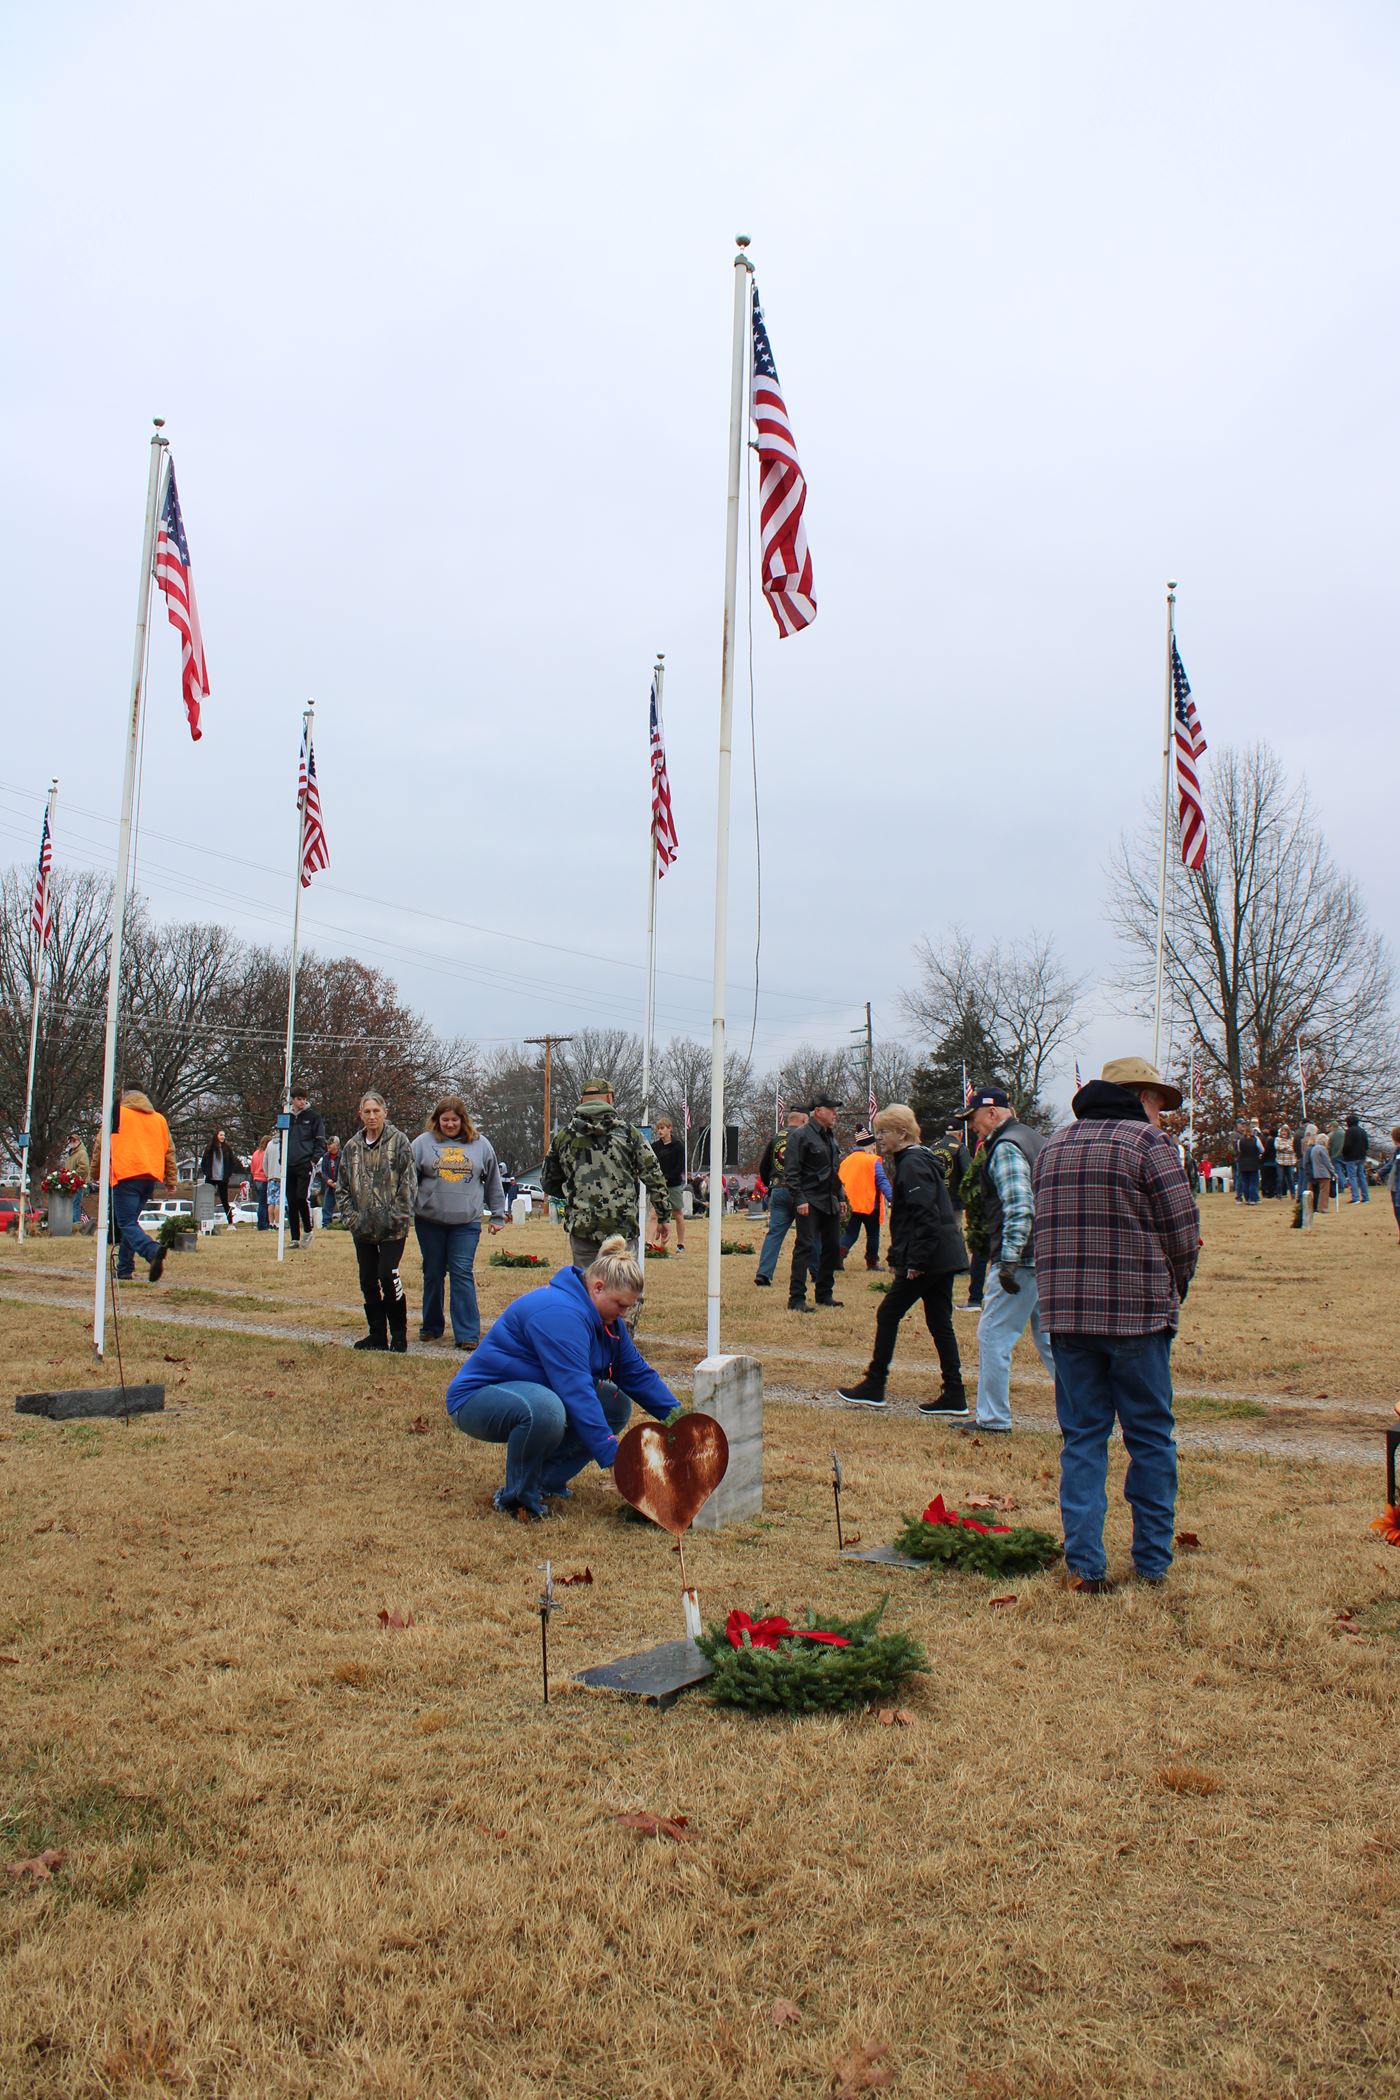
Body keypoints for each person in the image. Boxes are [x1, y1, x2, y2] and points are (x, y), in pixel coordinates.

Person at [1032, 1056, 1200, 1593]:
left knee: (1082, 1439)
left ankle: (1085, 1564)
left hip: (1067, 1317)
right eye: (1156, 1101)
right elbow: (1182, 1232)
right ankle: (1151, 1564)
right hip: (1137, 1315)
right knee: (1150, 1438)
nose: (1160, 1113)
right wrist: (1178, 1287)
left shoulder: (1054, 1145)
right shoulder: (1150, 1146)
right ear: (1136, 1097)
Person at [444, 1236, 681, 1519]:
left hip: (533, 1393)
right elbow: (577, 1391)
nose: (625, 1314)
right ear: (598, 1287)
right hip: (477, 1399)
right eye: (620, 1305)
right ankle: (517, 1498)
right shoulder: (560, 1313)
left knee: (613, 1404)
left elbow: (638, 1375)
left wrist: (680, 1422)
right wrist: (615, 1459)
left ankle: (546, 1481)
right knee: (545, 1411)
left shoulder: (609, 1323)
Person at [836, 1104, 969, 1415]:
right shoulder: (919, 1159)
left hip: (930, 1257)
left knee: (888, 1313)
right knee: (939, 1322)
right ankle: (955, 1393)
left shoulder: (912, 1164)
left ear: (903, 1133)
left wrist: (916, 1261)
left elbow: (925, 1215)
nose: (879, 1138)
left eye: (884, 1132)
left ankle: (875, 1384)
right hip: (943, 1255)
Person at [963, 1086, 1055, 1433]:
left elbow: (1019, 1205)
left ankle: (993, 1417)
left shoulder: (1005, 1147)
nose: (972, 1126)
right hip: (1046, 1255)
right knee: (1051, 1341)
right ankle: (1081, 1416)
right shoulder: (1036, 1139)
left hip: (1021, 1259)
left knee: (993, 1335)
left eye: (973, 1118)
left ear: (991, 1113)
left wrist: (1010, 1259)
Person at [541, 1075, 670, 1269]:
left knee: (588, 1289)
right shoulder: (629, 1134)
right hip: (622, 1228)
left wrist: (574, 1193)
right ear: (610, 1098)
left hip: (583, 1228)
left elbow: (548, 1181)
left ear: (581, 1100)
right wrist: (663, 1215)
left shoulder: (564, 1137)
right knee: (622, 1288)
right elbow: (654, 1176)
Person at [412, 1096, 507, 1348]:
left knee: (461, 1272)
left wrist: (497, 1214)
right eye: (445, 1120)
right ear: (437, 1120)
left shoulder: (480, 1145)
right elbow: (408, 1182)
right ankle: (431, 1326)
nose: (450, 1124)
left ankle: (467, 1334)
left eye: (454, 1120)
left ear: (463, 1120)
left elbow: (494, 1181)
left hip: (466, 1222)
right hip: (429, 1220)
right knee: (432, 1272)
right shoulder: (422, 1144)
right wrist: (404, 1210)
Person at [338, 1092, 418, 1352]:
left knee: (387, 1274)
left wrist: (397, 1215)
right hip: (363, 1229)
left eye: (376, 1111)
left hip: (393, 1229)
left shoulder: (400, 1142)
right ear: (360, 1114)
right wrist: (353, 1219)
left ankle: (399, 1333)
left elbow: (408, 1183)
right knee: (368, 1280)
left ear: (385, 1112)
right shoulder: (351, 1148)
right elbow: (342, 1188)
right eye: (367, 1112)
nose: (372, 1116)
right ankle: (377, 1335)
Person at [97, 1086, 177, 1284]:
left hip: (125, 1174)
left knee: (126, 1223)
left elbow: (101, 1144)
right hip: (150, 1177)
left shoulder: (117, 1113)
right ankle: (124, 1268)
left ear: (125, 1095)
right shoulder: (159, 1119)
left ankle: (151, 1251)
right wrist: (171, 1179)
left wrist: (95, 1173)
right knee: (130, 1222)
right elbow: (169, 1151)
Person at [784, 1093, 844, 1312]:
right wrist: (799, 1198)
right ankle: (796, 1299)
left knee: (832, 1248)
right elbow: (791, 1172)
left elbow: (834, 1170)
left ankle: (824, 1294)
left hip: (830, 1200)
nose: (835, 1114)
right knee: (805, 1248)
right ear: (818, 1111)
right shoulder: (800, 1136)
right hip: (809, 1200)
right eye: (831, 1109)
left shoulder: (830, 1136)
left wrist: (840, 1196)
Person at [754, 1107, 807, 1287]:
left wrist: (770, 1183)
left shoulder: (776, 1137)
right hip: (799, 1191)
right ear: (803, 1120)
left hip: (778, 1188)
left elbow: (764, 1165)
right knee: (808, 1234)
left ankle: (763, 1273)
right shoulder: (804, 1136)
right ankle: (816, 1272)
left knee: (774, 1233)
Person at [838, 1129, 893, 1272]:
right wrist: (892, 1198)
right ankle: (872, 1263)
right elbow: (882, 1181)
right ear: (869, 1145)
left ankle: (837, 1258)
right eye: (873, 1145)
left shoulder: (846, 1161)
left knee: (850, 1234)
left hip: (851, 1205)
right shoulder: (872, 1160)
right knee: (873, 1234)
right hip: (869, 1205)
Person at [283, 1087, 327, 1246]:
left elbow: (320, 1140)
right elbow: (282, 1137)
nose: (301, 1102)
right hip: (289, 1164)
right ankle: (295, 1237)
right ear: (292, 1100)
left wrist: (314, 1159)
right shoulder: (286, 1116)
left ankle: (308, 1230)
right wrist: (283, 1157)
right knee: (291, 1201)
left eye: (303, 1099)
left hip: (305, 1163)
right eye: (298, 1099)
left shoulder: (313, 1117)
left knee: (301, 1197)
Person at [649, 1118, 687, 1252]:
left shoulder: (678, 1146)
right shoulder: (655, 1147)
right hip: (659, 1186)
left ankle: (681, 1244)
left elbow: (680, 1167)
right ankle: (649, 1243)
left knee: (678, 1214)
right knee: (654, 1214)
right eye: (658, 1128)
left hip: (674, 1185)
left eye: (663, 1128)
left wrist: (667, 1178)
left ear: (669, 1128)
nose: (660, 1131)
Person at [200, 1128, 238, 1225]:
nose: (222, 1137)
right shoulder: (209, 1148)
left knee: (225, 1201)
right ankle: (204, 1222)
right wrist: (207, 1173)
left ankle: (230, 1222)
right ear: (216, 1136)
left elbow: (232, 1163)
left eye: (224, 1135)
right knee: (206, 1200)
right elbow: (203, 1162)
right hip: (211, 1178)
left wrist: (227, 1174)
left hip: (223, 1179)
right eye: (221, 1135)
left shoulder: (227, 1148)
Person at [58, 1132, 90, 1230]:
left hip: (78, 1184)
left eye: (74, 1140)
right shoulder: (71, 1154)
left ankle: (76, 1225)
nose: (72, 1142)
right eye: (71, 1141)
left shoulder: (82, 1153)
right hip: (70, 1184)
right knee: (71, 1204)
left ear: (79, 1141)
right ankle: (70, 1224)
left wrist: (73, 1176)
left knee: (75, 1204)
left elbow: (84, 1168)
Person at [1340, 1113, 1370, 1203]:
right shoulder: (1362, 1131)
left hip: (1351, 1157)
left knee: (1352, 1177)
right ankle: (1366, 1197)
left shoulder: (1349, 1131)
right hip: (1361, 1156)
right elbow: (1366, 1145)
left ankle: (1355, 1197)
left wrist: (1344, 1153)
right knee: (1361, 1176)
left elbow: (1347, 1145)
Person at [1307, 1125, 1336, 1214]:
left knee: (1318, 1191)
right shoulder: (1322, 1149)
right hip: (1324, 1173)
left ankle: (1317, 1208)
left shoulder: (1314, 1149)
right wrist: (1333, 1172)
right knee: (1324, 1192)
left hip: (1316, 1173)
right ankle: (1323, 1208)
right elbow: (1327, 1162)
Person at [1234, 1121, 1262, 1205]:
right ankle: (1253, 1198)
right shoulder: (1256, 1140)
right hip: (1253, 1163)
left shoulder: (1240, 1141)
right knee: (1253, 1182)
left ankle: (1246, 1198)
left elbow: (1239, 1150)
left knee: (1245, 1182)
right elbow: (1262, 1150)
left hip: (1243, 1164)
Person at [263, 1130, 282, 1228]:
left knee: (271, 1202)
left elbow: (264, 1162)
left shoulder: (269, 1145)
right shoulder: (283, 1143)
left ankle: (270, 1223)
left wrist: (268, 1175)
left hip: (271, 1178)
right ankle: (277, 1224)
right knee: (279, 1202)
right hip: (280, 1177)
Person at [321, 1136, 341, 1225]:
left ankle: (344, 1222)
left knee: (343, 1204)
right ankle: (326, 1223)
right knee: (327, 1204)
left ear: (336, 1145)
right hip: (330, 1185)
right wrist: (328, 1180)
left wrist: (339, 1182)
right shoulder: (326, 1156)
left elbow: (345, 1170)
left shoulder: (343, 1155)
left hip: (341, 1185)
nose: (328, 1145)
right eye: (327, 1144)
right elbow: (324, 1171)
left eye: (330, 1144)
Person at [251, 1141, 270, 1230]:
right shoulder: (266, 1153)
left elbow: (252, 1168)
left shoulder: (255, 1153)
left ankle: (261, 1223)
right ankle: (263, 1224)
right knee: (265, 1203)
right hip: (264, 1178)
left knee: (261, 1202)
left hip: (256, 1179)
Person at [1275, 1127, 1296, 1199]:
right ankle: (1279, 1194)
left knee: (1290, 1178)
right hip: (1280, 1161)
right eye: (1282, 1131)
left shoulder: (1292, 1139)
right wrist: (1286, 1148)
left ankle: (1293, 1194)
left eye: (1285, 1131)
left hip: (1290, 1161)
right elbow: (1277, 1147)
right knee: (1280, 1178)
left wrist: (1283, 1148)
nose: (1284, 1133)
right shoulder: (1277, 1139)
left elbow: (1293, 1149)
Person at [1387, 1128, 1400, 1244]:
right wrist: (1380, 1173)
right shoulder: (1397, 1151)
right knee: (1397, 1211)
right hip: (1395, 1186)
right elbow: (1390, 1165)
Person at [1259, 1128, 1278, 1201]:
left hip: (1268, 1162)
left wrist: (1262, 1158)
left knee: (1267, 1178)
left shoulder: (1270, 1141)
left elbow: (1266, 1151)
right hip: (1275, 1161)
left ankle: (1267, 1192)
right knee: (1273, 1178)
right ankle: (1273, 1191)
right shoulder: (1277, 1140)